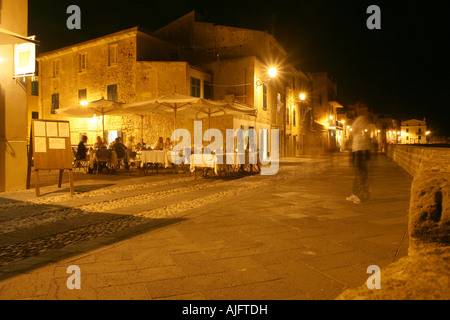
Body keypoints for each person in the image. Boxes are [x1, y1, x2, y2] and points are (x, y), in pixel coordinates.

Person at [347, 100, 371, 204]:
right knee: (357, 173)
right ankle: (355, 193)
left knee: (361, 174)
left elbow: (361, 134)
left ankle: (363, 196)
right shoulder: (361, 119)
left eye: (359, 108)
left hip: (360, 150)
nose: (358, 110)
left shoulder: (362, 119)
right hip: (357, 149)